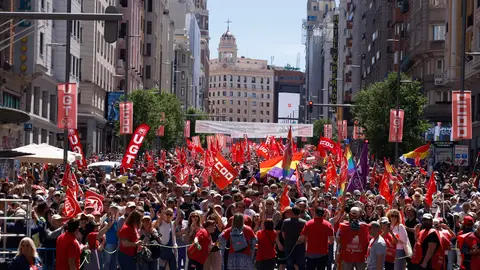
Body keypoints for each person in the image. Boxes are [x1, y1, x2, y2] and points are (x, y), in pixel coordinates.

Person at [281, 206, 306, 270]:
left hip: (288, 246)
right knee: (301, 265)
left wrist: (287, 240)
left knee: (289, 265)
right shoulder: (304, 222)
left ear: (292, 212)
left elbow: (283, 234)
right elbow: (306, 236)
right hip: (300, 247)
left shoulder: (285, 222)